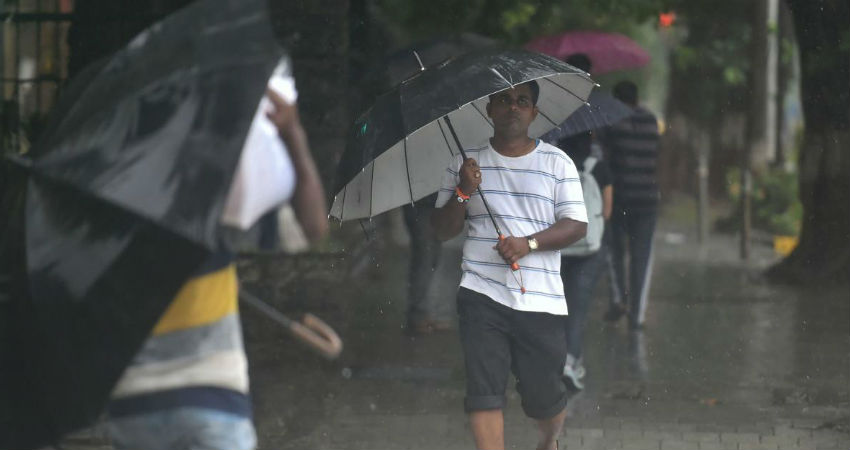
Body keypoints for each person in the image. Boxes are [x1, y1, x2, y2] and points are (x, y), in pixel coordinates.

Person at [105, 73, 328, 450]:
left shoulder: (102, 214)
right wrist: (293, 133)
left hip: (134, 406)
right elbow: (313, 228)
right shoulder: (212, 198)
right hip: (212, 397)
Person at [431, 81, 588, 450]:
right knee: (483, 392)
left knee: (543, 398)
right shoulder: (464, 164)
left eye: (522, 101)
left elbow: (577, 225)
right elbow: (440, 231)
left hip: (541, 300)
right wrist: (462, 192)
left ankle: (549, 439)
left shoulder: (556, 162)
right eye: (504, 100)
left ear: (534, 112)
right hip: (481, 293)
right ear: (489, 109)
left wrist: (528, 244)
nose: (512, 107)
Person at [600, 80, 660, 330]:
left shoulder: (612, 121)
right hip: (647, 198)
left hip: (620, 197)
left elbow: (603, 157)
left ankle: (619, 300)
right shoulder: (651, 121)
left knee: (615, 250)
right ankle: (638, 316)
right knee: (642, 256)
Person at [557, 131, 613, 390]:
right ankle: (570, 363)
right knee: (577, 309)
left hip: (560, 245)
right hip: (590, 247)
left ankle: (552, 360)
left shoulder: (556, 166)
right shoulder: (599, 168)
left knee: (557, 306)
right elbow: (607, 210)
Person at [401, 194, 451, 334]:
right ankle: (418, 316)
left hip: (432, 207)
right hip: (420, 207)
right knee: (424, 259)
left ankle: (425, 313)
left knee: (432, 257)